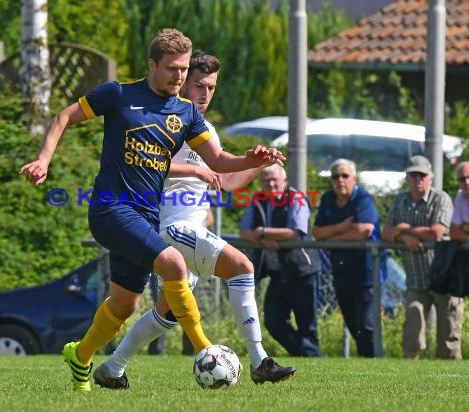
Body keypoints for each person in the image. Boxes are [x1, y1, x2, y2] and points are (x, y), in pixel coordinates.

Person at [19, 29, 285, 393]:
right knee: (174, 263)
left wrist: (249, 160)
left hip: (146, 217)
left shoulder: (187, 114)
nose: (180, 76)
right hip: (110, 209)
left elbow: (219, 162)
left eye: (183, 69)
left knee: (124, 305)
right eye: (173, 69)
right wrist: (43, 160)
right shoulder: (118, 94)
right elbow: (64, 116)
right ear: (152, 64)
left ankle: (81, 356)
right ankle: (206, 350)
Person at [91, 51, 295, 390]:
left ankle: (112, 368)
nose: (204, 94)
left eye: (211, 87)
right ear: (182, 80)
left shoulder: (201, 126)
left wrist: (258, 161)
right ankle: (260, 360)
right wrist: (198, 169)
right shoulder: (165, 116)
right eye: (198, 85)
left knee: (164, 316)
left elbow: (225, 180)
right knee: (243, 267)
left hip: (190, 230)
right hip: (171, 228)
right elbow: (144, 162)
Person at [383, 155, 462, 360]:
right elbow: (386, 233)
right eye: (413, 174)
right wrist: (404, 237)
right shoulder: (400, 200)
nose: (417, 178)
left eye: (422, 175)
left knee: (449, 332)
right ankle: (409, 374)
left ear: (430, 178)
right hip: (416, 278)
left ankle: (451, 379)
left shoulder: (441, 198)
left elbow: (436, 232)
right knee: (412, 325)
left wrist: (403, 228)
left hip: (444, 276)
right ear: (407, 177)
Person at [239, 164, 322, 357]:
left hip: (302, 271)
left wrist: (262, 232)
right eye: (266, 180)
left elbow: (295, 232)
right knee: (273, 321)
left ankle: (311, 357)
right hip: (277, 273)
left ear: (284, 180)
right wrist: (264, 239)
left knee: (307, 325)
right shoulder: (257, 199)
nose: (271, 183)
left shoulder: (297, 198)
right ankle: (308, 354)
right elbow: (243, 231)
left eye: (274, 179)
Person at [313, 158, 383, 357]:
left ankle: (376, 361)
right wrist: (344, 227)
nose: (340, 180)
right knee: (353, 325)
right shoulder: (328, 198)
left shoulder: (363, 198)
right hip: (342, 270)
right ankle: (366, 360)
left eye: (345, 176)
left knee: (367, 325)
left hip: (368, 272)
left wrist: (332, 237)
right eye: (335, 176)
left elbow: (363, 230)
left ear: (354, 178)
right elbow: (317, 233)